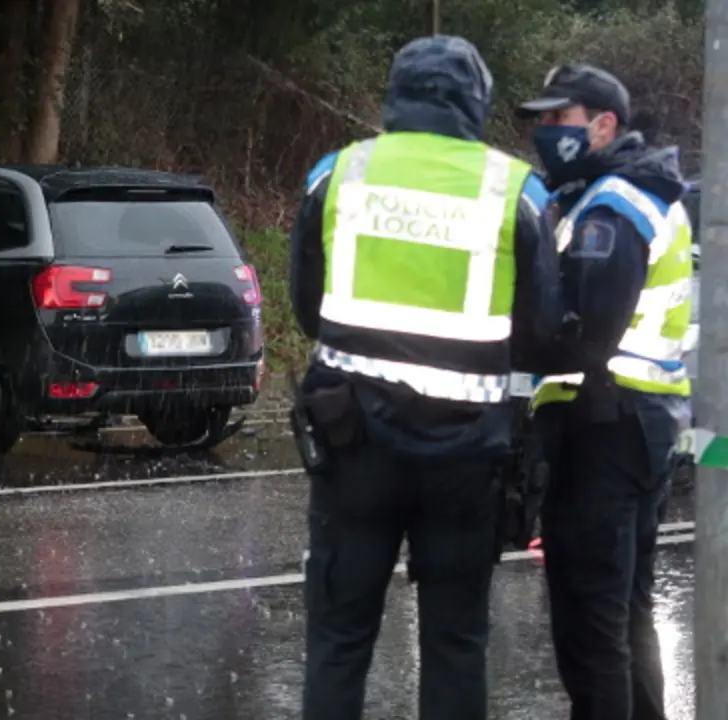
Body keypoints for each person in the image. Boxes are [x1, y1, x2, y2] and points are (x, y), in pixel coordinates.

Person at [288, 35, 562, 719]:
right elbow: (541, 332)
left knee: (339, 639)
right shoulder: (517, 190)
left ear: (396, 93)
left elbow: (307, 306)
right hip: (465, 454)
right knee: (455, 641)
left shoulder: (338, 173)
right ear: (477, 102)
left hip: (351, 441)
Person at [517, 63, 692, 720]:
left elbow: (585, 334)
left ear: (604, 124)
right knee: (624, 615)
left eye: (558, 118)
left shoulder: (612, 208)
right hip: (636, 422)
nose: (544, 129)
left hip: (603, 425)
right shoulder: (628, 192)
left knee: (591, 625)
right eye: (540, 118)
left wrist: (519, 343)